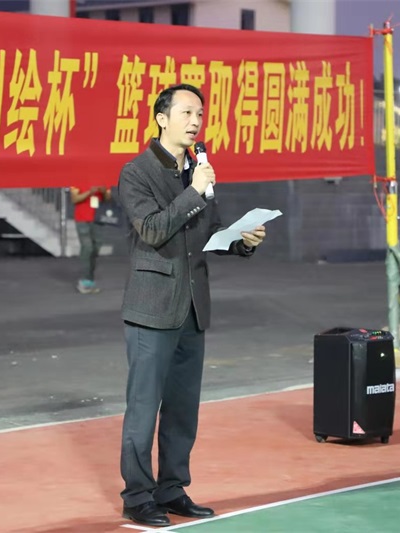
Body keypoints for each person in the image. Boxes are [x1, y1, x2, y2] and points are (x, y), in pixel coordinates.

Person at [116, 83, 267, 527]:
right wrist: (195, 191)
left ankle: (172, 488)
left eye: (200, 113)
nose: (196, 121)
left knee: (183, 407)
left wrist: (242, 241)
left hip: (192, 308)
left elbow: (209, 234)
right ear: (161, 119)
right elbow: (152, 230)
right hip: (152, 307)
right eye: (186, 112)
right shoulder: (137, 172)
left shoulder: (198, 170)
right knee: (144, 407)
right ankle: (137, 496)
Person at [70, 185, 111, 294]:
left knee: (96, 248)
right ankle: (85, 280)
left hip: (98, 219)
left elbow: (108, 199)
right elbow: (74, 199)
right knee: (87, 247)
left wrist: (104, 192)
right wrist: (89, 192)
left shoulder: (104, 181)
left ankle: (89, 279)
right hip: (82, 219)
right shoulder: (77, 181)